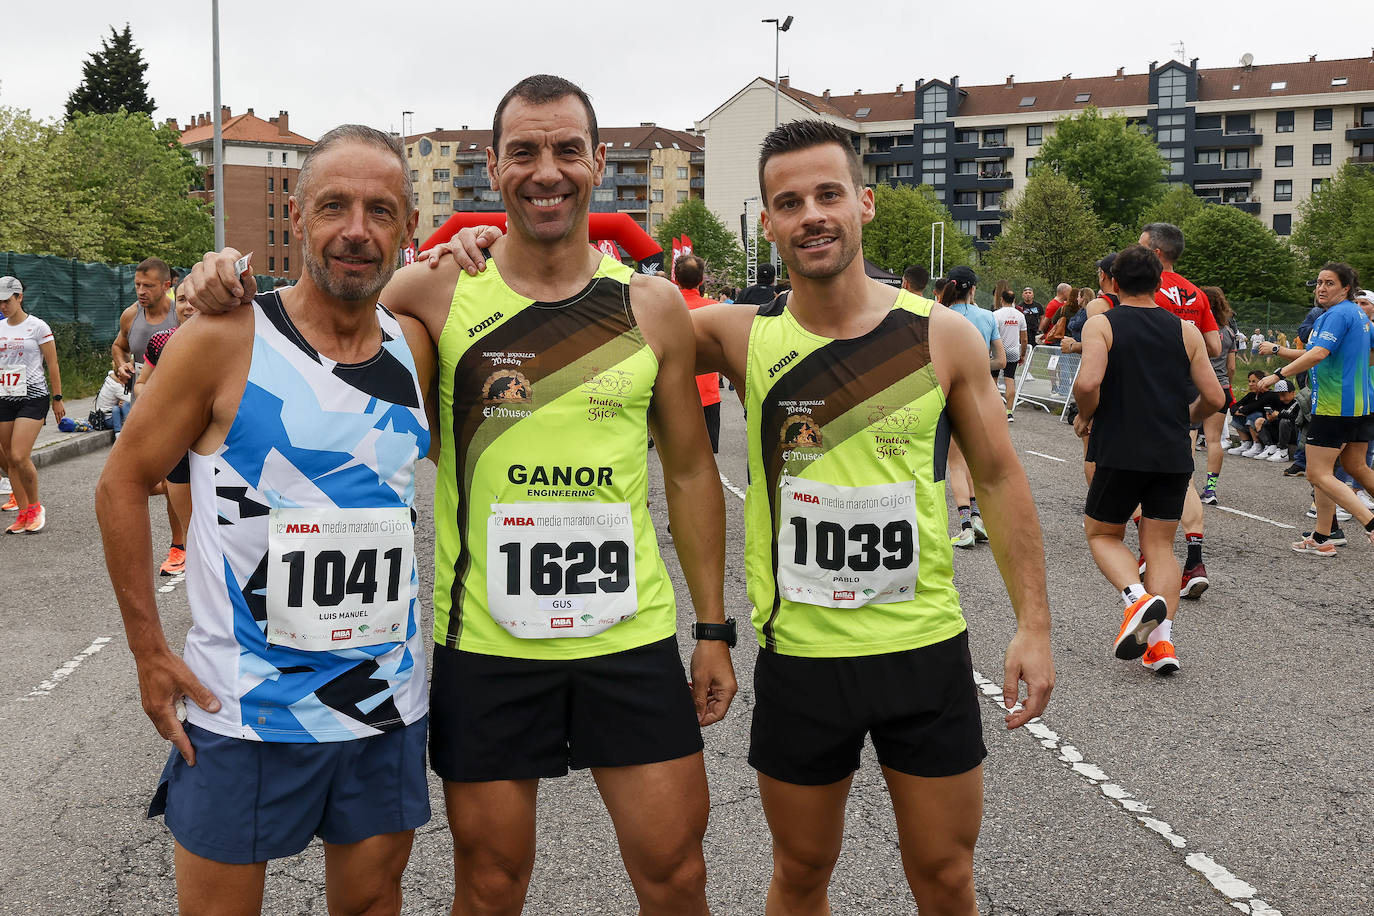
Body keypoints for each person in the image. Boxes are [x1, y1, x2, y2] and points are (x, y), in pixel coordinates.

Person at [180, 75, 735, 915]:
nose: (545, 170)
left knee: (676, 877)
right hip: (490, 646)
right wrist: (212, 281)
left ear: (595, 162)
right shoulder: (432, 292)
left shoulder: (651, 306)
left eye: (565, 151)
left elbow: (692, 472)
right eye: (523, 152)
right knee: (487, 885)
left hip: (628, 638)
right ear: (493, 166)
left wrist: (712, 629)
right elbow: (316, 315)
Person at [688, 118, 1052, 916]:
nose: (811, 214)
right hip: (803, 660)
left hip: (921, 653)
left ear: (865, 202)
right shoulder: (742, 336)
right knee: (800, 874)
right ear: (769, 221)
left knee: (946, 875)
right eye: (789, 202)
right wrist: (463, 253)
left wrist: (1034, 623)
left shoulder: (941, 335)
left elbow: (997, 476)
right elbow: (601, 314)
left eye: (828, 194)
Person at [95, 125, 436, 915]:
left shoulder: (416, 346)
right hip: (241, 713)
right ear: (296, 213)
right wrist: (148, 652)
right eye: (334, 206)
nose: (357, 229)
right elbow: (121, 483)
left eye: (381, 210)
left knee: (373, 904)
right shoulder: (224, 336)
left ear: (407, 229)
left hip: (380, 705)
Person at [1072, 245, 1224, 675]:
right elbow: (1214, 397)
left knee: (1102, 534)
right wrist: (1183, 418)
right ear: (1160, 284)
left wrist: (1086, 415)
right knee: (1159, 545)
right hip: (1171, 452)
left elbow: (1087, 383)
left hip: (1120, 446)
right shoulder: (1185, 331)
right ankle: (1161, 646)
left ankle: (1136, 600)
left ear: (1114, 284)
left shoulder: (1102, 324)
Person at [1256, 262, 1374, 553]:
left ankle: (1370, 524)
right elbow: (1360, 354)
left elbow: (1319, 353)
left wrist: (1277, 374)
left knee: (1317, 472)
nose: (1321, 288)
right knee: (1354, 465)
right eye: (1319, 283)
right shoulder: (1360, 315)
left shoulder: (1334, 315)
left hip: (1335, 405)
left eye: (1329, 283)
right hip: (1362, 403)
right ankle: (1324, 537)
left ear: (1346, 288)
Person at [1139, 222, 1219, 600]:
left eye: (1140, 247)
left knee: (1136, 469)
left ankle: (1148, 555)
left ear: (1155, 253)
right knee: (1182, 475)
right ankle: (1195, 561)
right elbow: (1215, 346)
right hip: (1186, 390)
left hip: (1149, 388)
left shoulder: (1145, 287)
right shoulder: (1196, 293)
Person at [112, 257, 188, 573]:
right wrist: (122, 365)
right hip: (141, 406)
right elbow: (119, 346)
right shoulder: (132, 315)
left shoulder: (182, 312)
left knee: (174, 480)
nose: (141, 291)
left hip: (179, 410)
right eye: (137, 285)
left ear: (166, 286)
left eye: (149, 286)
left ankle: (178, 544)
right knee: (142, 479)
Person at [132, 294, 198, 575]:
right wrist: (161, 399)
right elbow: (141, 384)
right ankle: (182, 550)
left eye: (196, 299)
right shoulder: (161, 341)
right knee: (192, 528)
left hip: (223, 449)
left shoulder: (233, 340)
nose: (189, 305)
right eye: (182, 299)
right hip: (177, 443)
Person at [939, 266, 1005, 548]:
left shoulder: (938, 316)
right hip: (983, 394)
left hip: (949, 394)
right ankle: (979, 519)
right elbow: (1001, 360)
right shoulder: (988, 316)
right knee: (976, 463)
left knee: (956, 463)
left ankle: (965, 526)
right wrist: (977, 366)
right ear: (973, 289)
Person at [0, 276, 64, 533]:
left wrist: (57, 399)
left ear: (19, 297)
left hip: (33, 396)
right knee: (9, 459)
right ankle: (24, 512)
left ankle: (36, 507)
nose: (2, 306)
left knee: (18, 454)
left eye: (6, 301)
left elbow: (53, 364)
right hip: (4, 396)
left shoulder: (37, 326)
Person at [673, 253, 723, 453]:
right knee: (708, 456)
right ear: (701, 280)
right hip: (707, 393)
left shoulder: (665, 308)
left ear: (676, 279)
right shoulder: (717, 309)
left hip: (673, 393)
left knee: (676, 458)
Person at [1197, 286, 1241, 504]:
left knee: (1188, 434)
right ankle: (1211, 489)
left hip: (1196, 386)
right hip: (1221, 387)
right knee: (1214, 440)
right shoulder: (1229, 332)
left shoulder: (1197, 329)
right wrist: (1226, 385)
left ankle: (1182, 485)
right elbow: (1231, 367)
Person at [992, 289, 1027, 420]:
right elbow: (1024, 339)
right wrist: (1022, 354)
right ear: (1014, 300)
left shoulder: (996, 314)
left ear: (1001, 299)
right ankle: (1009, 412)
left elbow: (992, 335)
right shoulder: (1020, 315)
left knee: (993, 380)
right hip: (1013, 351)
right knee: (1010, 379)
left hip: (998, 350)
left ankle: (993, 409)